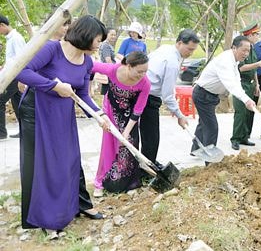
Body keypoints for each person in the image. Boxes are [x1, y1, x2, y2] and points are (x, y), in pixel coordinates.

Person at [16, 15, 111, 236]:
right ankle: (41, 218)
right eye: (98, 40)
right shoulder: (52, 49)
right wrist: (53, 86)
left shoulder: (87, 62)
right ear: (86, 36)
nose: (99, 44)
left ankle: (65, 210)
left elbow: (83, 95)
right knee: (42, 164)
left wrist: (99, 114)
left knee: (67, 161)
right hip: (36, 110)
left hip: (61, 114)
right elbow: (22, 71)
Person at [92, 51, 151, 196]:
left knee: (128, 143)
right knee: (109, 144)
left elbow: (138, 109)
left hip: (129, 115)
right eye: (139, 71)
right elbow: (89, 65)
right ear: (128, 66)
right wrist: (87, 83)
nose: (142, 75)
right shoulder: (113, 70)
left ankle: (127, 182)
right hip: (110, 111)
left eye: (145, 71)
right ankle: (100, 182)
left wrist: (126, 131)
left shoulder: (145, 83)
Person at [192, 36, 257, 164]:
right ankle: (209, 162)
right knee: (211, 127)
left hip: (210, 96)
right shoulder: (225, 61)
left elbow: (237, 81)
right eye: (243, 50)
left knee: (204, 123)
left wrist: (247, 99)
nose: (246, 54)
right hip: (202, 94)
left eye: (248, 51)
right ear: (234, 48)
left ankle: (195, 149)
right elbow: (230, 84)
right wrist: (246, 100)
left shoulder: (234, 61)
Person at [139, 29, 199, 166]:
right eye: (189, 49)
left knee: (147, 134)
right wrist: (180, 115)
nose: (191, 53)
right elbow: (167, 95)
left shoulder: (166, 48)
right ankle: (146, 167)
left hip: (142, 90)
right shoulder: (172, 62)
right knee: (151, 136)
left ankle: (148, 162)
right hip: (149, 97)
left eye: (193, 50)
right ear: (179, 43)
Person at [230, 23, 261, 150]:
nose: (257, 37)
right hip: (241, 83)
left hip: (250, 84)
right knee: (240, 111)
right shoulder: (242, 50)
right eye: (256, 34)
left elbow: (254, 69)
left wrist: (257, 84)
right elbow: (242, 67)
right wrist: (257, 64)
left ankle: (245, 136)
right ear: (249, 35)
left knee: (249, 112)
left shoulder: (252, 49)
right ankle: (235, 138)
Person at [0, 15, 26, 139]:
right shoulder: (10, 39)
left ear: (2, 25)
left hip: (15, 76)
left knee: (0, 100)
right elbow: (12, 58)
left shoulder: (16, 38)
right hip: (11, 75)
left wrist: (22, 79)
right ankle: (25, 130)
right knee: (18, 103)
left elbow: (23, 59)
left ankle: (1, 133)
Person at [98, 28, 117, 95]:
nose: (113, 37)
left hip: (108, 71)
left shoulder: (108, 45)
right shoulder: (106, 45)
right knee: (107, 92)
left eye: (115, 35)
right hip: (108, 71)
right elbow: (108, 60)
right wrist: (114, 71)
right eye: (111, 35)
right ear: (107, 34)